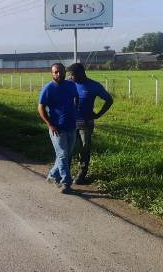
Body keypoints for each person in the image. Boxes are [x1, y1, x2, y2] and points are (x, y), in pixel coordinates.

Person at [67, 63, 113, 184]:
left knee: (84, 148)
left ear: (81, 73)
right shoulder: (69, 83)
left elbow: (109, 100)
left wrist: (98, 114)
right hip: (70, 122)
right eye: (70, 75)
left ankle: (82, 174)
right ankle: (65, 173)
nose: (71, 77)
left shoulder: (94, 85)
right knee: (68, 148)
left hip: (86, 124)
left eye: (73, 75)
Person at [38, 63, 78, 194]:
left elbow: (76, 97)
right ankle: (66, 183)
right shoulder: (48, 88)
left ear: (65, 72)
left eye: (60, 71)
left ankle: (52, 176)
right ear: (52, 73)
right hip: (57, 128)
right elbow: (41, 108)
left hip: (71, 126)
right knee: (62, 155)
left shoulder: (71, 85)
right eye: (55, 72)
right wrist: (50, 124)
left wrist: (75, 110)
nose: (58, 74)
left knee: (66, 155)